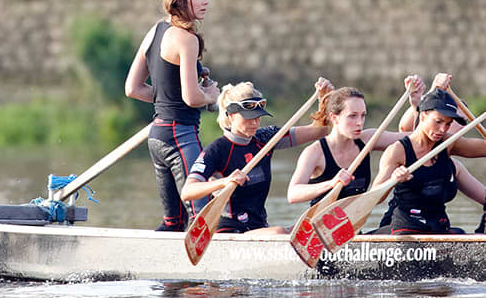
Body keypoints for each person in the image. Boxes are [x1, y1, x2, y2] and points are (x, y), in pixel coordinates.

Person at [125, 0, 220, 231]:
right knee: (203, 217)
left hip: (157, 136)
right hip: (181, 137)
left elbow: (132, 88)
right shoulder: (187, 40)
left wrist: (166, 101)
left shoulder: (156, 30)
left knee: (174, 223)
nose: (205, 2)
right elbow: (191, 97)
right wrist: (210, 96)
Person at [180, 78, 333, 234]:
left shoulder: (266, 139)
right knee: (279, 233)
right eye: (248, 117)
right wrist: (225, 182)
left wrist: (324, 98)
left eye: (258, 116)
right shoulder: (217, 149)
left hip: (258, 227)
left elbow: (320, 131)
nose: (255, 123)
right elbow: (188, 192)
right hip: (229, 230)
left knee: (310, 227)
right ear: (231, 115)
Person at [286, 75, 425, 206]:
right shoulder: (315, 152)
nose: (359, 122)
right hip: (320, 226)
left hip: (354, 227)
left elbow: (418, 138)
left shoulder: (369, 140)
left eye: (363, 116)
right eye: (352, 116)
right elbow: (293, 194)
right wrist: (331, 183)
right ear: (334, 118)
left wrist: (416, 104)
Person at [375, 73, 486, 233]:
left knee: (460, 232)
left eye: (448, 124)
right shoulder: (398, 151)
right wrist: (392, 180)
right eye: (438, 122)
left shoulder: (447, 144)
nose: (443, 130)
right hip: (405, 229)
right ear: (423, 115)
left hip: (438, 227)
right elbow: (375, 197)